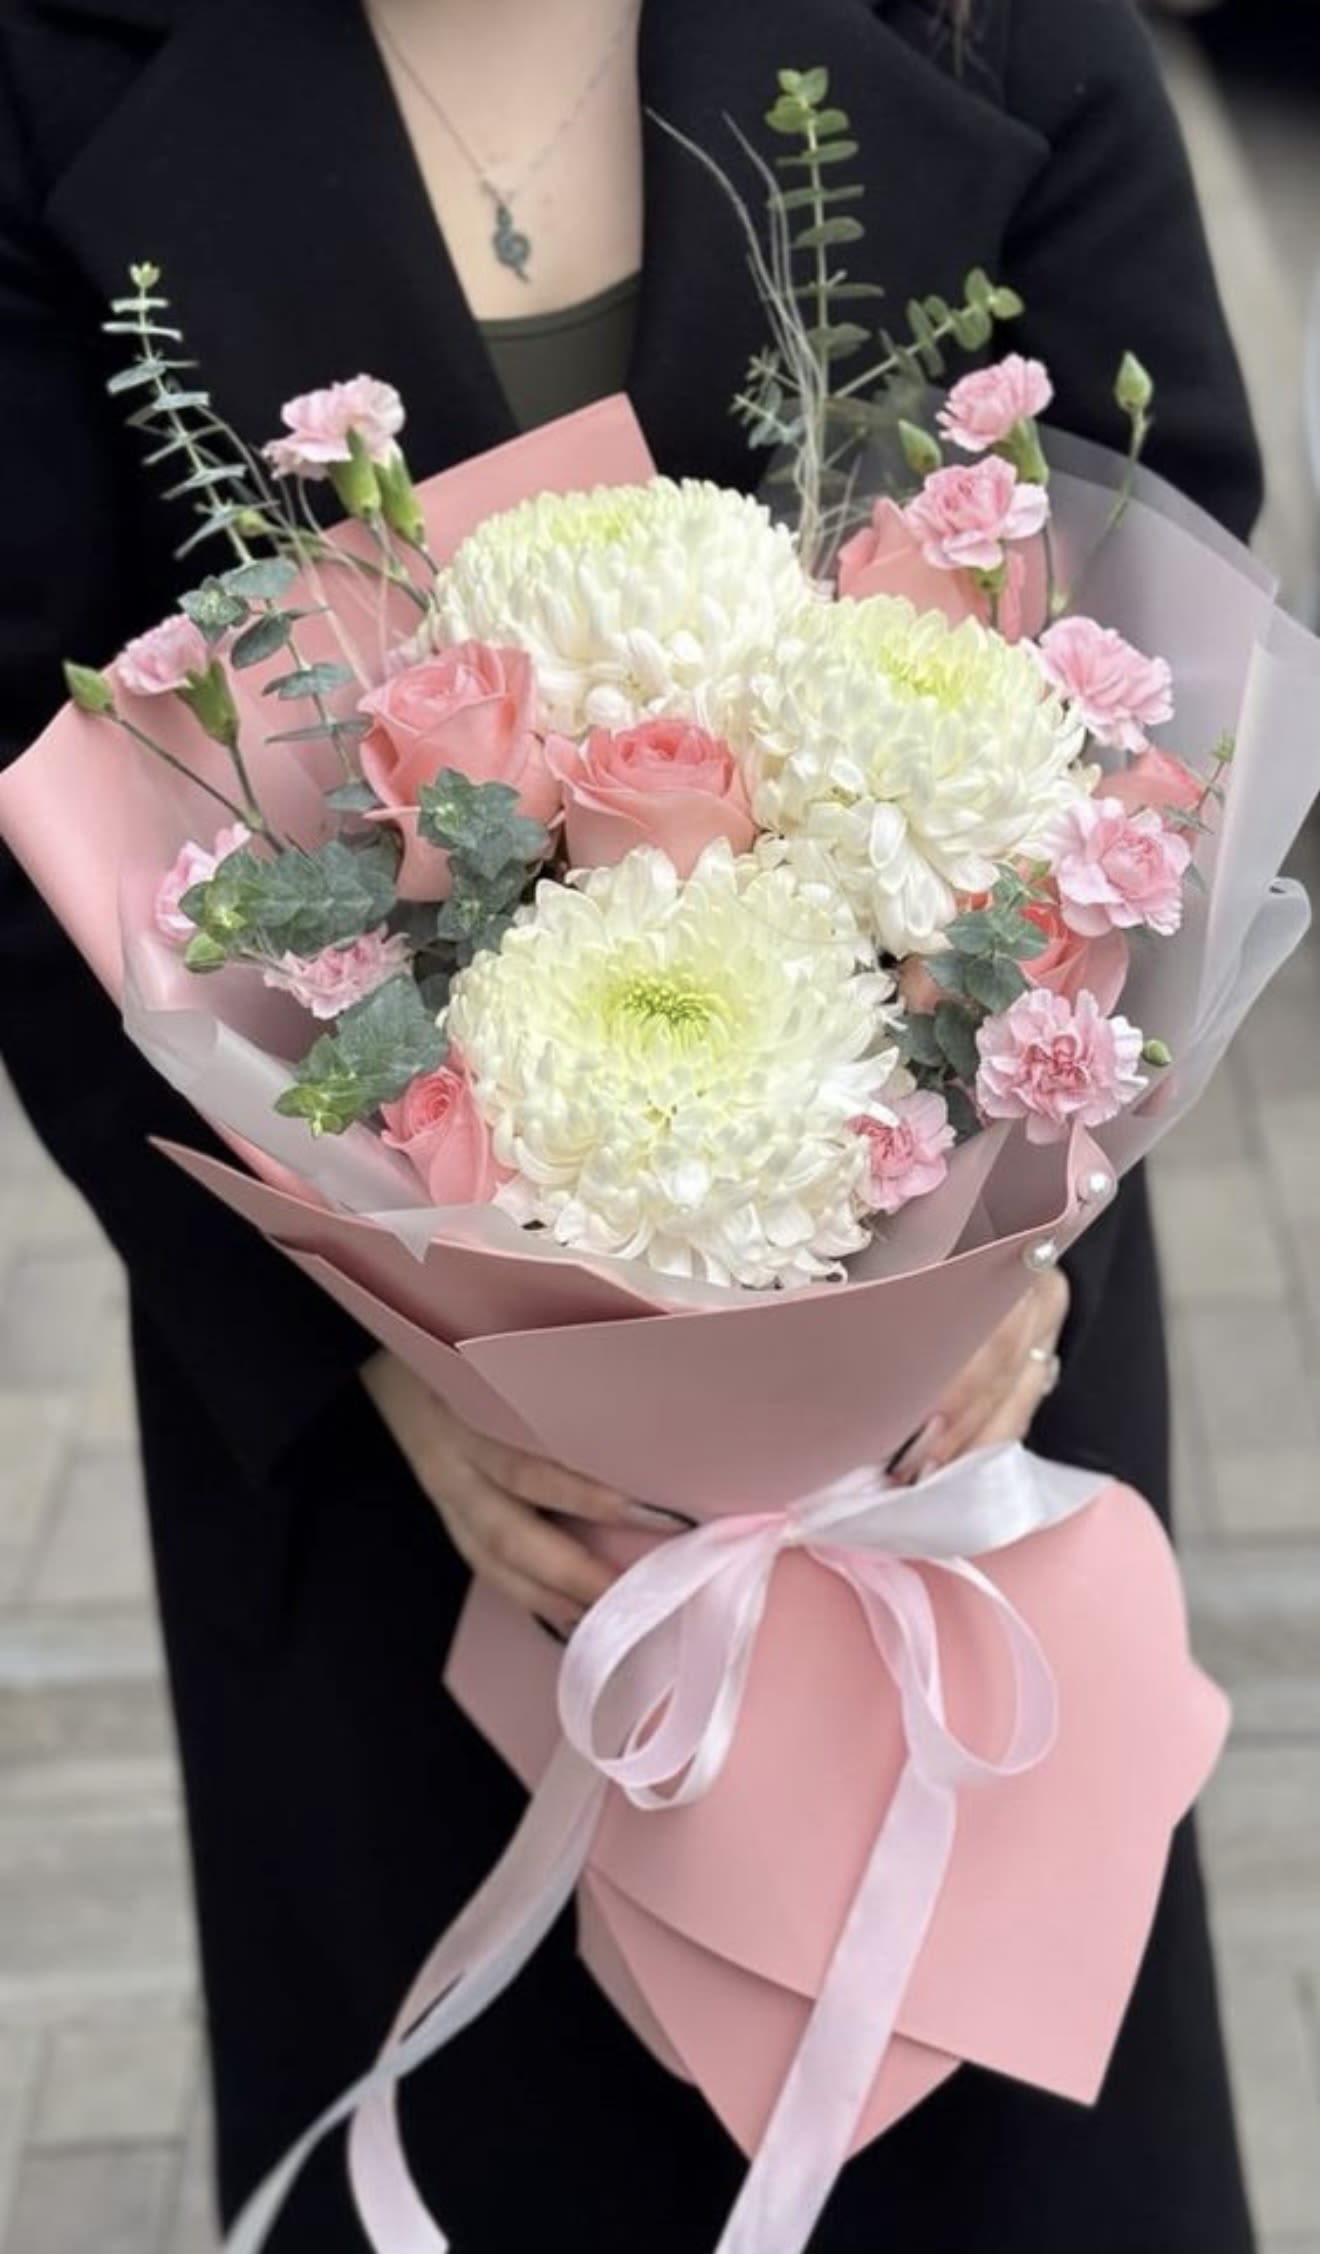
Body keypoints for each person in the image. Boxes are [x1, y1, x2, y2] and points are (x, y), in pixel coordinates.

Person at [0, 0, 1259, 2246]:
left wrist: (999, 1252)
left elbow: (1159, 632)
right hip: (418, 1462)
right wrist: (375, 1353)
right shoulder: (53, 73)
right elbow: (26, 765)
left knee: (995, 2144)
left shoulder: (994, 30)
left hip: (944, 1404)